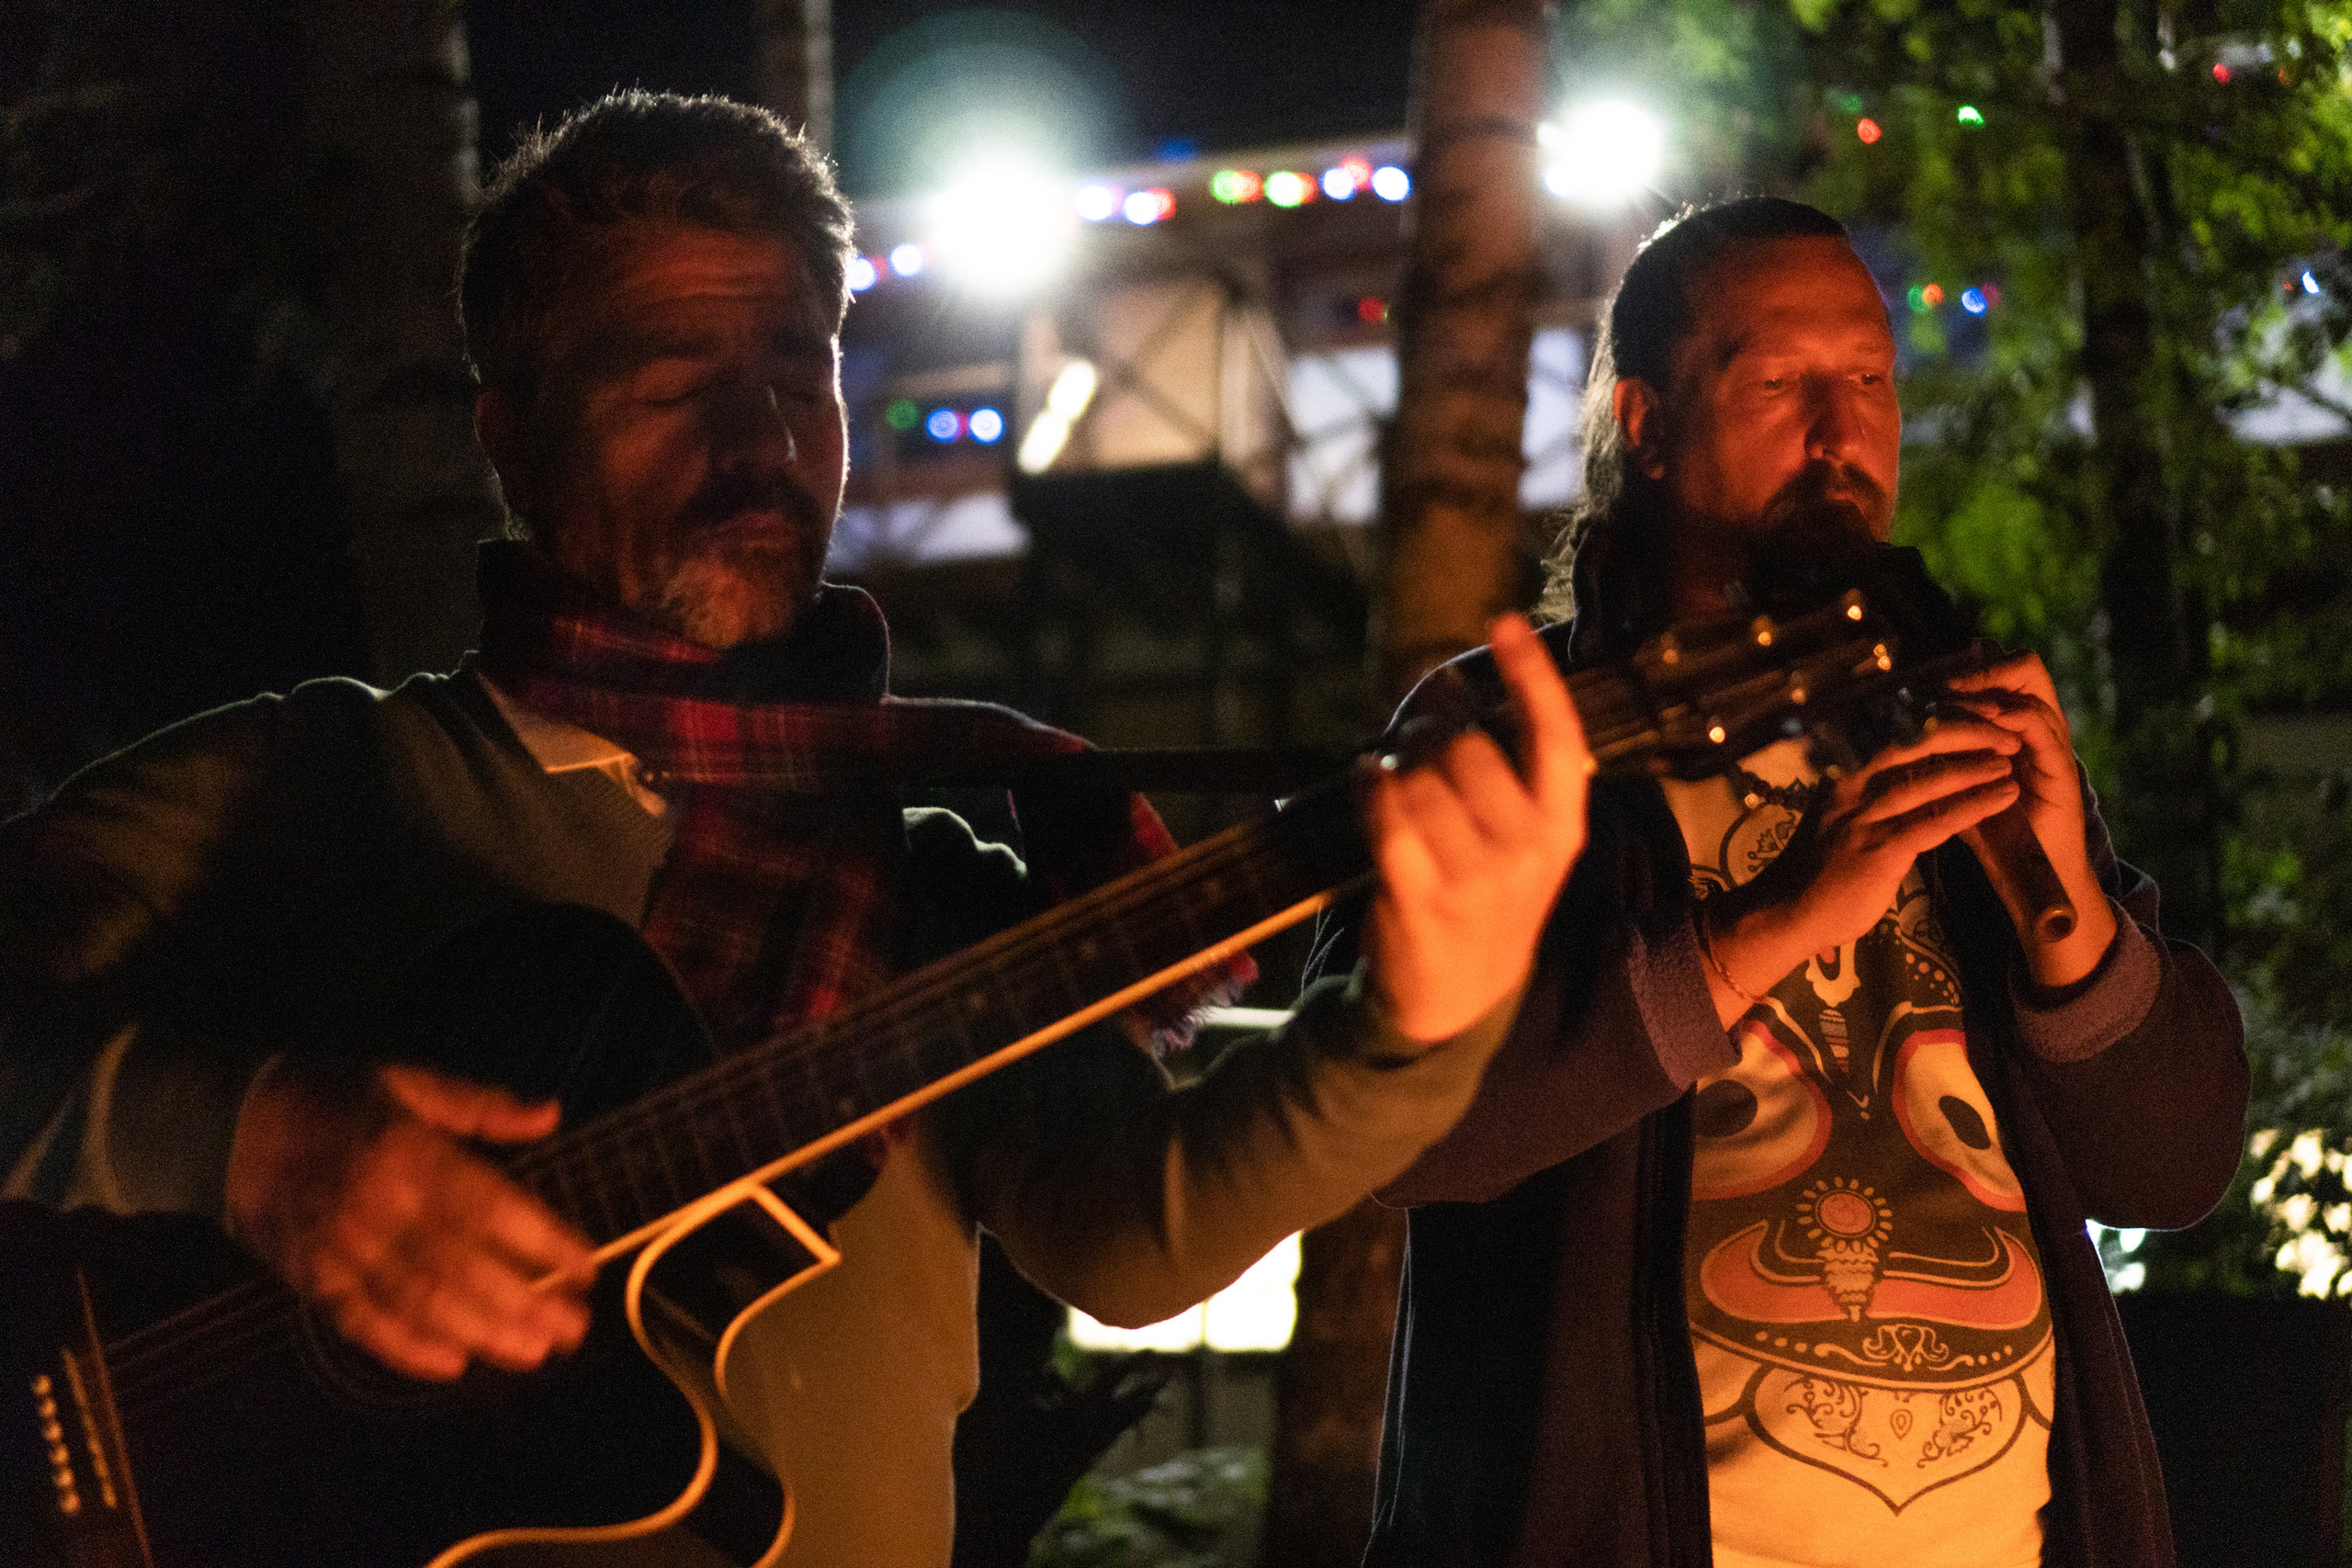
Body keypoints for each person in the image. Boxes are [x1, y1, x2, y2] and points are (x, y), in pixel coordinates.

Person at [0, 93, 1592, 1564]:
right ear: (510, 437)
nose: (758, 440)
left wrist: (1418, 1020)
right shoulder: (321, 789)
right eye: (673, 384)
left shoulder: (929, 889)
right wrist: (248, 1140)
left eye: (797, 368)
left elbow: (1134, 1237)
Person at [1352, 197, 2247, 1568]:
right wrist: (1766, 928)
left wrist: (2068, 907)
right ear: (1645, 425)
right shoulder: (1507, 728)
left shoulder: (1964, 722)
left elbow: (2174, 1165)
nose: (1844, 438)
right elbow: (1387, 1130)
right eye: (1780, 385)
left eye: (1873, 383)